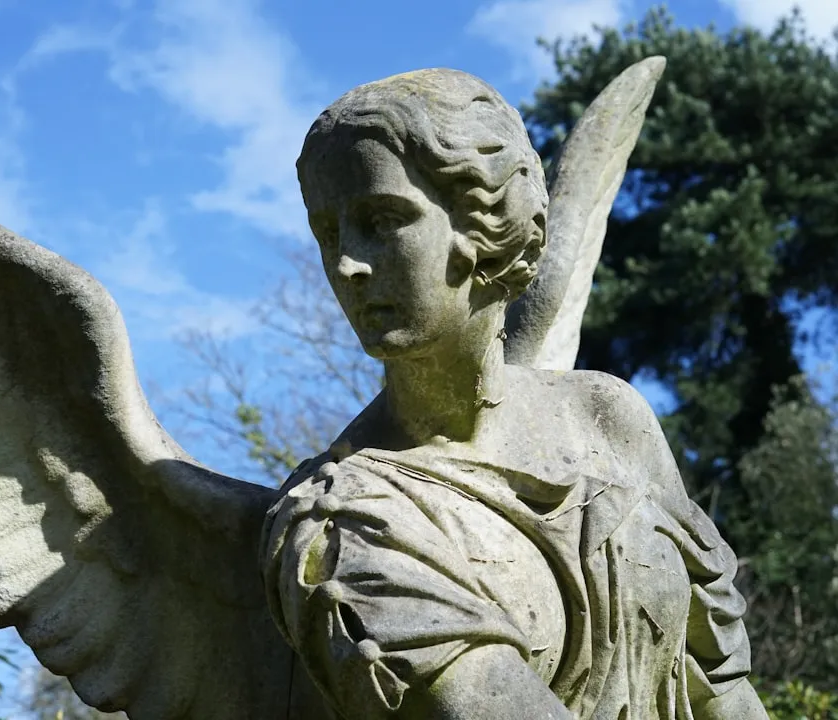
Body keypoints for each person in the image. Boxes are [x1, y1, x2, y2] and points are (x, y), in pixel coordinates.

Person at [260, 69, 767, 720]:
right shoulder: (336, 522)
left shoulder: (609, 420)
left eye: (382, 220)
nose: (347, 265)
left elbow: (720, 686)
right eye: (328, 233)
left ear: (486, 222)